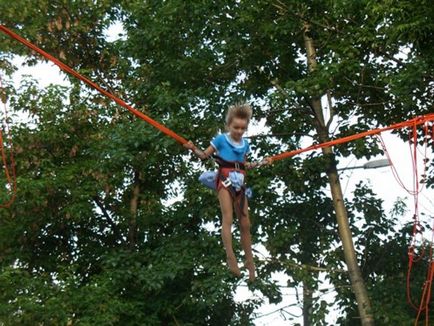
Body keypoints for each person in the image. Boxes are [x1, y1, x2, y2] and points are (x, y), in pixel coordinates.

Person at [184, 103, 272, 282]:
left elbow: (245, 164)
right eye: (236, 127)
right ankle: (231, 257)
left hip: (240, 183)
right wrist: (192, 148)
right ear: (228, 125)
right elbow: (204, 155)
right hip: (224, 180)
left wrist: (262, 162)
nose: (239, 131)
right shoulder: (220, 140)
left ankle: (249, 262)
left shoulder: (245, 144)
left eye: (243, 128)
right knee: (228, 218)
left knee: (245, 223)